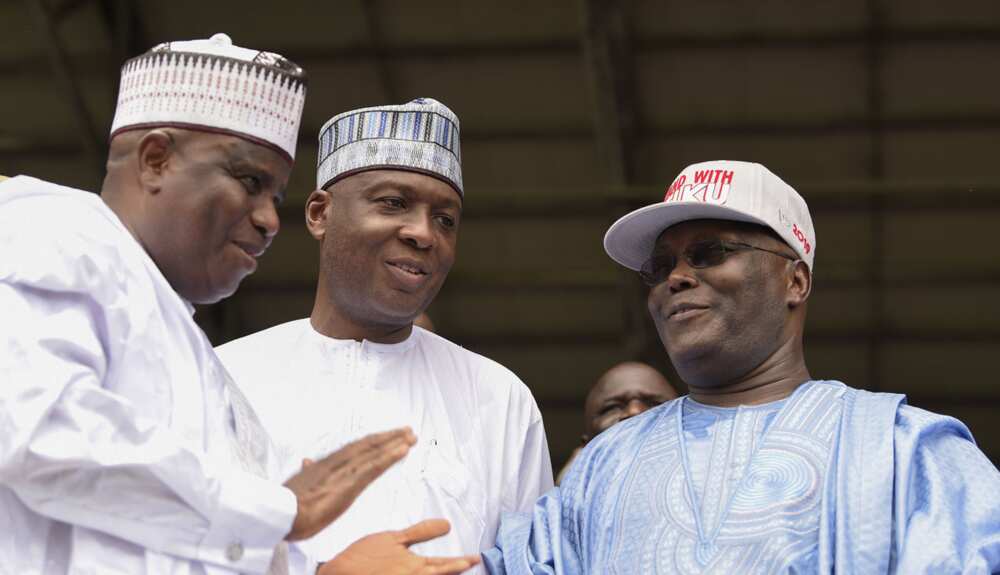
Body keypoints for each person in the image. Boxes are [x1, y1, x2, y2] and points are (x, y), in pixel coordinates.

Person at [0, 35, 476, 575]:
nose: (270, 219)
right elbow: (37, 435)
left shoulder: (195, 355)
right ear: (156, 160)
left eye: (274, 196)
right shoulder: (51, 232)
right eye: (250, 182)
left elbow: (200, 540)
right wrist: (277, 509)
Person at [484, 160, 1000, 573]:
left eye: (709, 252)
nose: (677, 278)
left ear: (795, 282)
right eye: (660, 267)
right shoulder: (601, 467)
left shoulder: (908, 452)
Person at [216, 98, 554, 571]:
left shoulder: (499, 398)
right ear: (319, 213)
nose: (423, 233)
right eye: (393, 203)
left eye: (445, 219)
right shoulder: (224, 377)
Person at [556, 362, 678, 483]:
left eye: (655, 405)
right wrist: (568, 489)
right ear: (586, 445)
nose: (634, 411)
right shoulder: (563, 496)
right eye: (612, 408)